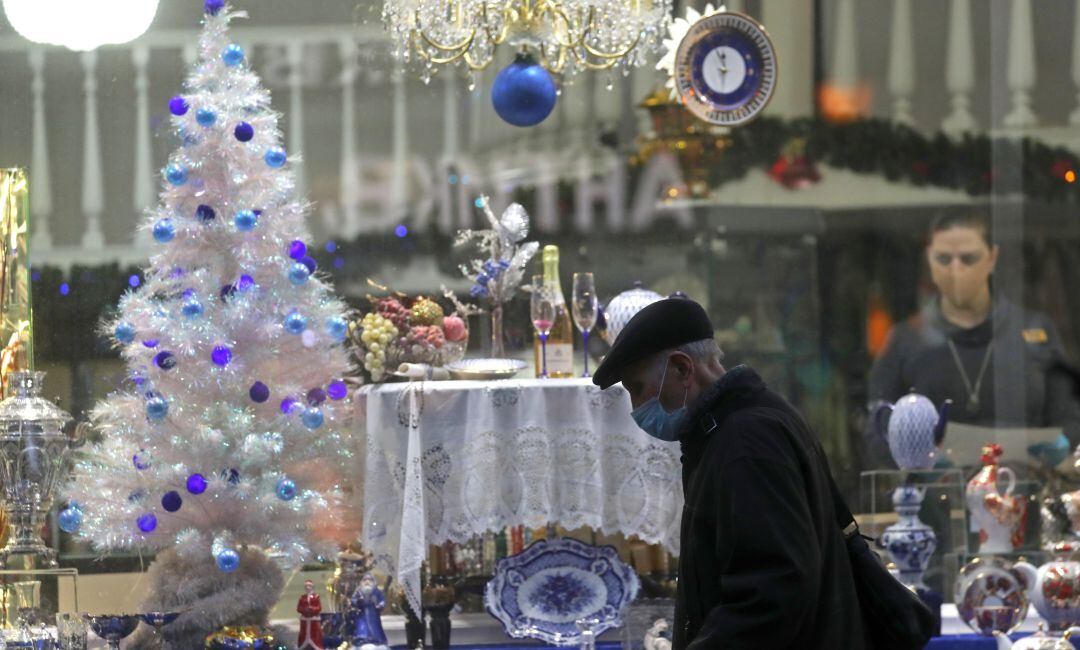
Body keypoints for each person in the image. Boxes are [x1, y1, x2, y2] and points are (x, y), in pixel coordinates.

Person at [593, 297, 866, 649]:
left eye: (637, 388)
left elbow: (770, 596)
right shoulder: (738, 426)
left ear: (682, 369)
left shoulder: (746, 445)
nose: (637, 407)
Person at [865, 210, 1080, 469]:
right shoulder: (905, 339)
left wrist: (1063, 445)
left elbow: (1070, 417)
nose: (956, 270)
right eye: (944, 259)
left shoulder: (1035, 331)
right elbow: (877, 429)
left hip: (1023, 490)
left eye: (968, 258)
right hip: (933, 496)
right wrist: (915, 466)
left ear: (992, 258)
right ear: (929, 262)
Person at [349, 573, 388, 650]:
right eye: (365, 580)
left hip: (373, 613)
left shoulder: (377, 592)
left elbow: (382, 600)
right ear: (361, 582)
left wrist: (380, 605)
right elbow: (353, 600)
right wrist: (358, 601)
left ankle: (376, 639)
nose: (367, 582)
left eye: (369, 580)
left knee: (375, 627)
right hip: (362, 614)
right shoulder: (358, 591)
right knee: (362, 627)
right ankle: (362, 639)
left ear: (373, 582)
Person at [296, 579, 324, 650]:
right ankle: (303, 645)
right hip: (305, 621)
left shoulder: (316, 597)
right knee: (303, 634)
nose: (308, 587)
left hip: (313, 621)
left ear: (312, 587)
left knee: (315, 635)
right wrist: (304, 610)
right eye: (306, 586)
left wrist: (312, 609)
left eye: (309, 586)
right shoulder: (302, 597)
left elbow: (319, 607)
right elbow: (299, 608)